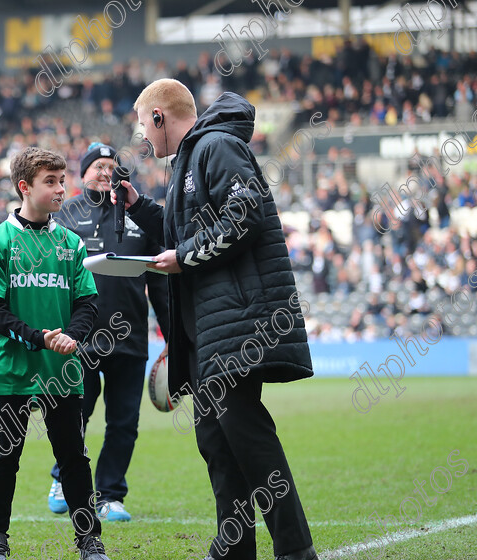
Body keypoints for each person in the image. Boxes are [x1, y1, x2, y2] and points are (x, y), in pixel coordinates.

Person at [114, 79, 319, 560]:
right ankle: (234, 548)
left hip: (238, 325)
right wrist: (139, 207)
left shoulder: (217, 145)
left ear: (160, 117)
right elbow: (186, 225)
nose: (144, 137)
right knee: (217, 443)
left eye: (145, 124)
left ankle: (295, 549)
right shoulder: (190, 157)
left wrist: (183, 257)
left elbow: (243, 214)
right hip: (208, 332)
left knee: (249, 438)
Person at [0, 147, 111, 560]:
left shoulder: (70, 243)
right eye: (50, 182)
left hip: (61, 371)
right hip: (11, 370)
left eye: (62, 180)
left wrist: (71, 337)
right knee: (4, 458)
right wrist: (39, 337)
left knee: (74, 459)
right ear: (24, 187)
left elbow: (88, 303)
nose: (60, 189)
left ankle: (90, 541)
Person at [46, 142, 170, 522]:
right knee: (74, 417)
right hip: (77, 339)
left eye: (110, 166)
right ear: (82, 175)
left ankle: (110, 495)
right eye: (96, 166)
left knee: (123, 422)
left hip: (129, 338)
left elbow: (160, 282)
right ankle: (61, 478)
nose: (104, 171)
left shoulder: (139, 214)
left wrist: (172, 336)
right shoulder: (64, 215)